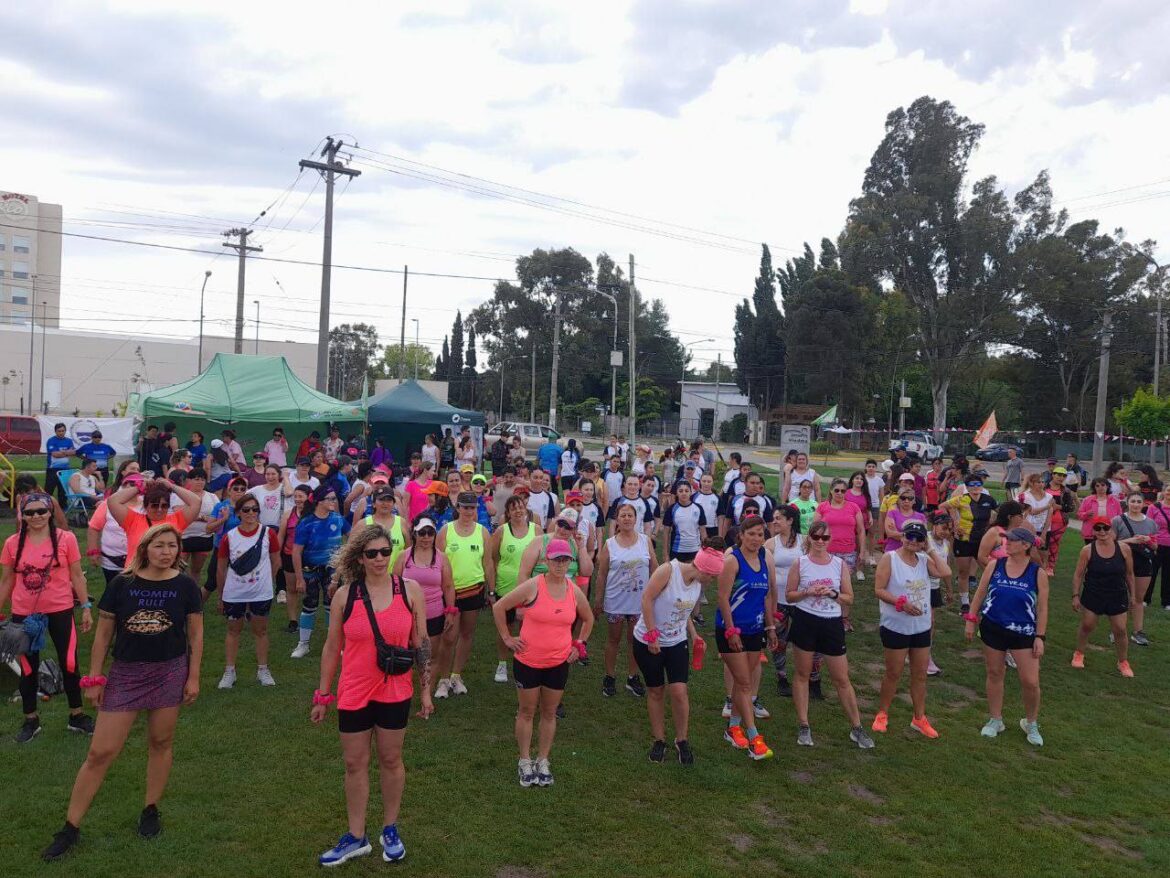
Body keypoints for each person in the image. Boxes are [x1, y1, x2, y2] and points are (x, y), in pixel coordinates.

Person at [41, 524, 202, 861]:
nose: (167, 552)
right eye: (159, 546)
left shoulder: (186, 585)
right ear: (145, 548)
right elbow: (102, 637)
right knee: (100, 752)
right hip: (127, 674)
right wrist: (95, 678)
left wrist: (193, 677)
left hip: (169, 671)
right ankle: (70, 827)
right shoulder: (122, 584)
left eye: (172, 546)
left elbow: (196, 635)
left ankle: (150, 809)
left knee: (160, 743)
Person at [312, 525, 432, 866]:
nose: (380, 559)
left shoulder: (409, 590)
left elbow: (421, 643)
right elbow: (332, 646)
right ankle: (356, 835)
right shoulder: (344, 595)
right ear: (360, 558)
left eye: (385, 551)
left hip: (394, 690)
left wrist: (425, 691)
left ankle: (390, 828)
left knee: (391, 760)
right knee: (354, 764)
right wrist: (323, 695)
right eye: (372, 553)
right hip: (353, 691)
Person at [493, 538, 593, 787]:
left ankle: (543, 759)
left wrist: (578, 646)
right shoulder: (533, 586)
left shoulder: (573, 590)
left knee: (549, 713)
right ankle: (525, 760)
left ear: (570, 562)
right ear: (546, 561)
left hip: (558, 662)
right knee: (527, 712)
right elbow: (499, 606)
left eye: (565, 560)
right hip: (528, 661)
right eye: (556, 559)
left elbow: (589, 619)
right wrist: (507, 637)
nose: (560, 564)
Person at [1, 492, 94, 743]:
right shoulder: (12, 543)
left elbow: (76, 575)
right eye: (30, 512)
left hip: (61, 609)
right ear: (23, 515)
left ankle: (76, 715)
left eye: (41, 511)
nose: (36, 516)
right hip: (24, 614)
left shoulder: (67, 539)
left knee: (70, 663)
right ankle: (31, 720)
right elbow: (8, 579)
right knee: (28, 669)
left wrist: (85, 606)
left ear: (50, 512)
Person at [786, 520, 873, 750]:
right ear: (810, 538)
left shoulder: (839, 564)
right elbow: (790, 595)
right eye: (816, 537)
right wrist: (807, 592)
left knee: (841, 679)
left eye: (825, 538)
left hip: (831, 623)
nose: (820, 542)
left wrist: (833, 594)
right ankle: (804, 724)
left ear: (830, 540)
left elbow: (849, 598)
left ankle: (856, 727)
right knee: (803, 673)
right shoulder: (800, 563)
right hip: (805, 620)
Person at [631, 543, 721, 764]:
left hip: (676, 641)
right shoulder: (668, 571)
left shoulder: (697, 583)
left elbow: (684, 610)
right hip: (648, 641)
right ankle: (659, 740)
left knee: (679, 692)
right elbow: (646, 599)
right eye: (712, 576)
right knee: (656, 691)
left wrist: (694, 635)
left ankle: (682, 740)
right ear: (703, 569)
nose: (712, 581)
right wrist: (652, 635)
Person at [965, 526, 1049, 746]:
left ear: (1026, 546)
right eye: (1006, 539)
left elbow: (1042, 608)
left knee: (1030, 681)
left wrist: (1040, 636)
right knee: (994, 672)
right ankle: (996, 719)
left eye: (1012, 540)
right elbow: (981, 592)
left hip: (1024, 632)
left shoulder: (1036, 572)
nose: (1006, 543)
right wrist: (971, 620)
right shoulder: (995, 565)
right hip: (994, 627)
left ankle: (1030, 722)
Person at [871, 520, 951, 738]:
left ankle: (919, 718)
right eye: (909, 537)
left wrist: (931, 549)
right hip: (896, 625)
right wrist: (901, 603)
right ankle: (883, 713)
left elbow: (945, 572)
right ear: (902, 537)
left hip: (921, 627)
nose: (913, 542)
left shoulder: (924, 560)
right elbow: (878, 589)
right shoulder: (890, 559)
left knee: (920, 674)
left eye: (918, 538)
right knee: (893, 672)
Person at [715, 515, 778, 759]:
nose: (755, 539)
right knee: (743, 683)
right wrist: (731, 631)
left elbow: (765, 597)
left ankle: (732, 728)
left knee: (747, 682)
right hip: (732, 632)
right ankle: (753, 737)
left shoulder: (762, 559)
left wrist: (771, 627)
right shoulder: (733, 560)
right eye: (750, 534)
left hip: (755, 630)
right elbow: (722, 598)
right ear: (741, 535)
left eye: (760, 534)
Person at [215, 495, 281, 689]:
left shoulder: (269, 534)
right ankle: (230, 671)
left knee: (260, 630)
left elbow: (276, 561)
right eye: (246, 510)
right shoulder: (230, 536)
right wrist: (221, 596)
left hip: (260, 592)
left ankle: (263, 670)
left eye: (254, 509)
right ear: (238, 513)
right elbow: (221, 568)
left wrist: (268, 582)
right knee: (233, 630)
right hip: (235, 592)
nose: (251, 513)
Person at [433, 493, 495, 697]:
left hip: (474, 589)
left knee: (466, 634)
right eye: (465, 507)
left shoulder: (483, 532)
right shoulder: (446, 530)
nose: (469, 511)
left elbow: (487, 563)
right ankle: (442, 679)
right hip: (450, 591)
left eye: (472, 507)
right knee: (448, 636)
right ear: (457, 507)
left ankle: (456, 675)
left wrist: (492, 590)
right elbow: (437, 562)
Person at [594, 503, 655, 699]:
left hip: (639, 602)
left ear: (636, 519)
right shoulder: (609, 544)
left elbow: (655, 568)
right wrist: (598, 601)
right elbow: (601, 575)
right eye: (623, 515)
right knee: (613, 640)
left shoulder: (645, 541)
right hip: (616, 601)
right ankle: (610, 677)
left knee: (635, 641)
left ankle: (632, 677)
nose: (627, 518)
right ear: (617, 520)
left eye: (630, 515)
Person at [393, 515, 454, 704]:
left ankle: (426, 694)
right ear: (415, 533)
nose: (426, 537)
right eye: (422, 533)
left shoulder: (441, 557)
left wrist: (450, 610)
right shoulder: (404, 556)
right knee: (405, 654)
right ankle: (402, 691)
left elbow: (448, 586)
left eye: (430, 533)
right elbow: (394, 584)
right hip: (407, 613)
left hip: (434, 612)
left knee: (430, 655)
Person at [291, 485, 352, 659]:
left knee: (331, 606)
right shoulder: (306, 522)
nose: (334, 502)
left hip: (332, 571)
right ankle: (303, 644)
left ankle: (334, 643)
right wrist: (299, 578)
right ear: (319, 501)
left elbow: (353, 535)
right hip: (310, 570)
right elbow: (296, 551)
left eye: (335, 498)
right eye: (331, 499)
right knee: (309, 605)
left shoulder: (338, 519)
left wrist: (346, 553)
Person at [1071, 515, 1136, 676]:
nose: (1102, 531)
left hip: (1117, 594)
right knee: (1087, 625)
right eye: (1098, 528)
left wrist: (1133, 595)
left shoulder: (1124, 549)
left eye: (1105, 528)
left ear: (1111, 529)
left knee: (1120, 629)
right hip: (1094, 593)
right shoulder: (1087, 550)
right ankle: (1079, 653)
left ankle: (1123, 662)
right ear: (1093, 531)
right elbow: (1078, 574)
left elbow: (1129, 574)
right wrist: (1075, 595)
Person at [490, 496, 540, 683]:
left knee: (528, 628)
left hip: (530, 590)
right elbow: (493, 559)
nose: (518, 511)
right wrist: (493, 589)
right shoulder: (502, 531)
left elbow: (541, 558)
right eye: (513, 509)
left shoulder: (536, 530)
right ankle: (502, 664)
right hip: (506, 588)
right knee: (506, 627)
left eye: (520, 507)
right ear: (508, 513)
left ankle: (525, 661)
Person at [107, 475, 202, 561]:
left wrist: (172, 486)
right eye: (155, 506)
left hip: (166, 574)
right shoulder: (132, 520)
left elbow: (196, 502)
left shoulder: (177, 520)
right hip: (137, 574)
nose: (159, 509)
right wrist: (139, 488)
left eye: (164, 506)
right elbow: (113, 501)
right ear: (146, 506)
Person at [814, 478, 866, 631]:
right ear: (831, 490)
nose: (839, 493)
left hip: (848, 553)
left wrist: (862, 551)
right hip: (826, 551)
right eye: (836, 490)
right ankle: (824, 614)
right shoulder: (823, 507)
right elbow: (814, 529)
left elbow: (861, 530)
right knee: (826, 583)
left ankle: (843, 618)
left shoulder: (853, 507)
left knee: (844, 586)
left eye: (843, 491)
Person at [765, 504, 805, 698]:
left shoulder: (804, 543)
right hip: (778, 600)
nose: (775, 521)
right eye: (774, 517)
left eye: (779, 518)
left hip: (800, 600)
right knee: (779, 641)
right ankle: (782, 677)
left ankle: (808, 678)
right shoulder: (770, 544)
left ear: (790, 520)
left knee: (803, 641)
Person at [943, 474, 998, 611]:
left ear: (981, 486)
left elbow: (1000, 513)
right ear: (967, 487)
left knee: (991, 570)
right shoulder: (962, 499)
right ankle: (965, 603)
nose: (975, 487)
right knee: (963, 572)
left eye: (978, 484)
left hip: (982, 542)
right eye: (972, 485)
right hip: (963, 541)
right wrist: (954, 523)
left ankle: (990, 598)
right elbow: (942, 506)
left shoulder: (988, 500)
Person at [1113, 491, 1155, 647]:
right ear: (1127, 502)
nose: (1136, 504)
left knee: (1138, 599)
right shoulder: (1118, 520)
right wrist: (1131, 540)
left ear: (1143, 504)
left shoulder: (1150, 523)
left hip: (1143, 562)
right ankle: (1118, 630)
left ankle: (1138, 632)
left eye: (1139, 502)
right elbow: (1111, 543)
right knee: (1122, 596)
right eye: (1133, 501)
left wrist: (1148, 540)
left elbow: (1155, 546)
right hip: (1123, 561)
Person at [170, 469, 217, 584]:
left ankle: (193, 596)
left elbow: (216, 515)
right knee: (178, 571)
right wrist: (203, 518)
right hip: (183, 538)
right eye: (196, 479)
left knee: (196, 571)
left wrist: (193, 515)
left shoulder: (212, 497)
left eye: (202, 479)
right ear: (189, 480)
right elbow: (178, 513)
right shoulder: (180, 495)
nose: (200, 482)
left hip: (203, 538)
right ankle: (177, 596)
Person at [277, 484, 312, 633]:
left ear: (309, 498)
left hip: (309, 557)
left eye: (301, 496)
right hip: (289, 555)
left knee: (310, 589)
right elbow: (281, 536)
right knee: (291, 589)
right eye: (296, 496)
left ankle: (308, 620)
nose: (297, 499)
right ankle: (293, 621)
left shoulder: (314, 514)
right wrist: (277, 556)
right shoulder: (288, 513)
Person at [351, 484, 410, 571]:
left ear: (393, 504)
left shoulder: (402, 522)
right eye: (381, 500)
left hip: (396, 579)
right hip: (369, 578)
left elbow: (408, 551)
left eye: (389, 500)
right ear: (373, 504)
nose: (385, 503)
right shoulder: (363, 524)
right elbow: (350, 552)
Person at [662, 480, 708, 562]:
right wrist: (665, 554)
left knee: (694, 574)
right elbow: (665, 533)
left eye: (686, 491)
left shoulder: (698, 508)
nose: (684, 493)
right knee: (677, 574)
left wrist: (706, 551)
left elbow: (703, 532)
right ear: (676, 493)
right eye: (680, 491)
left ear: (691, 492)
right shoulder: (671, 509)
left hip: (695, 550)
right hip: (677, 550)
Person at [1077, 478, 1122, 544]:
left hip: (1109, 532)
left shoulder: (1114, 500)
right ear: (1094, 488)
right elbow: (1079, 515)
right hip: (1091, 534)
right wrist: (1086, 514)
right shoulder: (1087, 500)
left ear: (1107, 486)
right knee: (1091, 553)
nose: (1100, 487)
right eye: (1097, 486)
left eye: (1103, 485)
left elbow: (1120, 517)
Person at [45, 421, 76, 506]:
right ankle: (47, 505)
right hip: (52, 469)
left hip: (65, 470)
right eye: (59, 431)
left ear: (65, 431)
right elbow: (55, 454)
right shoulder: (51, 441)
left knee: (63, 490)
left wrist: (62, 452)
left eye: (63, 430)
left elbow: (73, 453)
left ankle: (62, 507)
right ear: (55, 431)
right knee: (49, 490)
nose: (61, 432)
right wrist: (67, 452)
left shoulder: (69, 441)